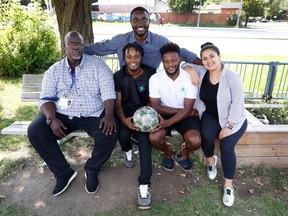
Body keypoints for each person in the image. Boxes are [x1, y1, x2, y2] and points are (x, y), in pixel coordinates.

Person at [27, 31, 117, 197]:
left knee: (109, 132)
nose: (76, 47)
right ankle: (63, 173)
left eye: (79, 44)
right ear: (65, 46)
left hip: (92, 113)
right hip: (61, 114)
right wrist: (51, 119)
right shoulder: (54, 71)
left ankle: (92, 169)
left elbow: (108, 93)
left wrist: (109, 114)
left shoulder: (98, 67)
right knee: (35, 131)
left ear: (84, 46)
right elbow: (46, 98)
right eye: (72, 44)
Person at [182, 42, 247, 207]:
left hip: (233, 119)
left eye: (212, 56)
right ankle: (211, 162)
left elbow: (238, 104)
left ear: (219, 57)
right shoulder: (202, 72)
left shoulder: (232, 77)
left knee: (226, 146)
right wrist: (191, 71)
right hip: (211, 115)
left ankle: (228, 186)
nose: (209, 61)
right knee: (206, 136)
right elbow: (183, 64)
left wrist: (229, 126)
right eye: (205, 58)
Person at [84, 6, 202, 70]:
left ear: (149, 21)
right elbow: (98, 48)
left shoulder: (159, 41)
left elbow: (180, 52)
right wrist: (75, 52)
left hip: (150, 88)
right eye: (136, 20)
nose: (140, 24)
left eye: (144, 20)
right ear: (130, 22)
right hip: (126, 87)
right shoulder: (121, 40)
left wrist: (205, 63)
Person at [114, 43, 156, 209]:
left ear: (141, 57)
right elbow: (117, 102)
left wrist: (150, 117)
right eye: (129, 56)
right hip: (125, 113)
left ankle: (144, 185)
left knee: (145, 144)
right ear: (124, 58)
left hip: (144, 115)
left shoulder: (151, 73)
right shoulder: (119, 76)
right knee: (123, 136)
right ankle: (128, 151)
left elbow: (153, 98)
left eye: (136, 56)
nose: (132, 60)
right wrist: (124, 120)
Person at [148, 43, 201, 172]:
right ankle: (167, 151)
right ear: (162, 62)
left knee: (195, 141)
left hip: (185, 116)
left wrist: (168, 123)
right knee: (154, 138)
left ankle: (185, 152)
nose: (170, 64)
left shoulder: (190, 78)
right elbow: (155, 106)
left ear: (180, 60)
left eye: (174, 60)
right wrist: (183, 112)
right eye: (166, 61)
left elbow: (188, 108)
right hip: (166, 113)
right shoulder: (155, 78)